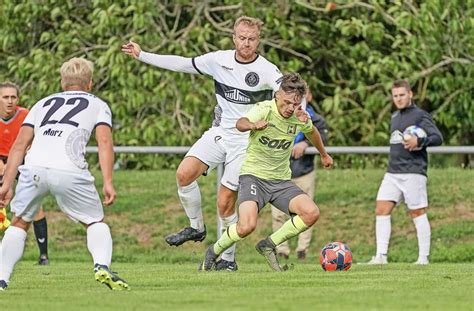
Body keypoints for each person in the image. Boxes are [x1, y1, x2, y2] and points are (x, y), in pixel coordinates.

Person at [122, 16, 282, 271]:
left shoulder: (267, 71)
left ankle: (228, 261)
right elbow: (181, 64)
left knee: (224, 203)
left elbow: (289, 95)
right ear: (234, 37)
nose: (246, 43)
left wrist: (296, 117)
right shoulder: (218, 60)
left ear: (258, 40)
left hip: (247, 142)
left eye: (251, 39)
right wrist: (143, 55)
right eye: (242, 38)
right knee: (184, 174)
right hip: (220, 133)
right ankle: (196, 227)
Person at [0, 58, 129, 291]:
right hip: (69, 168)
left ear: (62, 82)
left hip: (34, 168)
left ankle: (1, 279)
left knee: (19, 222)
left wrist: (7, 184)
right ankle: (101, 266)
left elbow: (19, 145)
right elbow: (104, 141)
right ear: (89, 83)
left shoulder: (42, 103)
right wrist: (108, 182)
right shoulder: (98, 104)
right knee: (94, 222)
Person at [199, 73, 333, 272]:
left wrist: (324, 154)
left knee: (311, 213)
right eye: (286, 102)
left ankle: (268, 245)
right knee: (246, 226)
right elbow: (240, 123)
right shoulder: (264, 109)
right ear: (277, 95)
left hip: (280, 181)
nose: (290, 108)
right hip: (253, 177)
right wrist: (253, 125)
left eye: (295, 104)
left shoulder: (299, 116)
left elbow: (312, 132)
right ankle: (213, 251)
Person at [367, 79, 443, 265]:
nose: (399, 99)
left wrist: (419, 142)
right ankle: (381, 257)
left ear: (410, 94)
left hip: (413, 172)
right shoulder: (394, 117)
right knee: (381, 209)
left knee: (417, 212)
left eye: (402, 95)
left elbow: (437, 138)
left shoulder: (420, 115)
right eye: (395, 96)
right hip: (393, 172)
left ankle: (423, 258)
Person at [271, 88, 328, 261]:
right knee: (278, 214)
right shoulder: (277, 115)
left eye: (302, 95)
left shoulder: (315, 119)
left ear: (309, 96)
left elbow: (323, 138)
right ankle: (281, 250)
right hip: (280, 172)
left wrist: (305, 143)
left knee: (308, 212)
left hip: (304, 171)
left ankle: (302, 250)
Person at [0, 82, 50, 265]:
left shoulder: (25, 115)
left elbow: (32, 141)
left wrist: (16, 162)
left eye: (13, 97)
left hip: (23, 160)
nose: (10, 101)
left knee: (35, 207)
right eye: (5, 97)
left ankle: (44, 256)